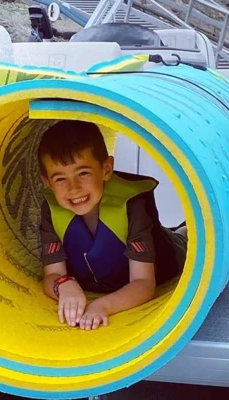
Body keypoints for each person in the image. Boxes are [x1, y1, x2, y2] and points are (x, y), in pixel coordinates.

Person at [38, 120, 188, 331]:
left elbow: (144, 283)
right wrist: (63, 285)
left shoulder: (132, 205)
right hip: (102, 276)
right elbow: (51, 275)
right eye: (61, 179)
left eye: (83, 173)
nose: (74, 188)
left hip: (168, 257)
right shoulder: (51, 210)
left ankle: (184, 229)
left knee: (184, 240)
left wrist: (103, 305)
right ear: (47, 182)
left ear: (106, 169)